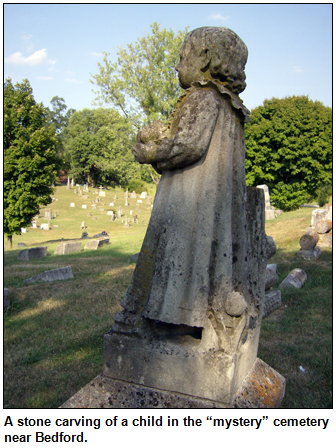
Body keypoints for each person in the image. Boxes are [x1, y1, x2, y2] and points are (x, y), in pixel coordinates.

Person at [114, 27, 253, 335]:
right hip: (211, 206)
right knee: (204, 261)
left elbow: (188, 145)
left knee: (179, 257)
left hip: (187, 205)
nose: (177, 65)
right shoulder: (230, 105)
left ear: (204, 59)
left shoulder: (202, 97)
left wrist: (150, 151)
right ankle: (200, 322)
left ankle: (168, 324)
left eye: (181, 57)